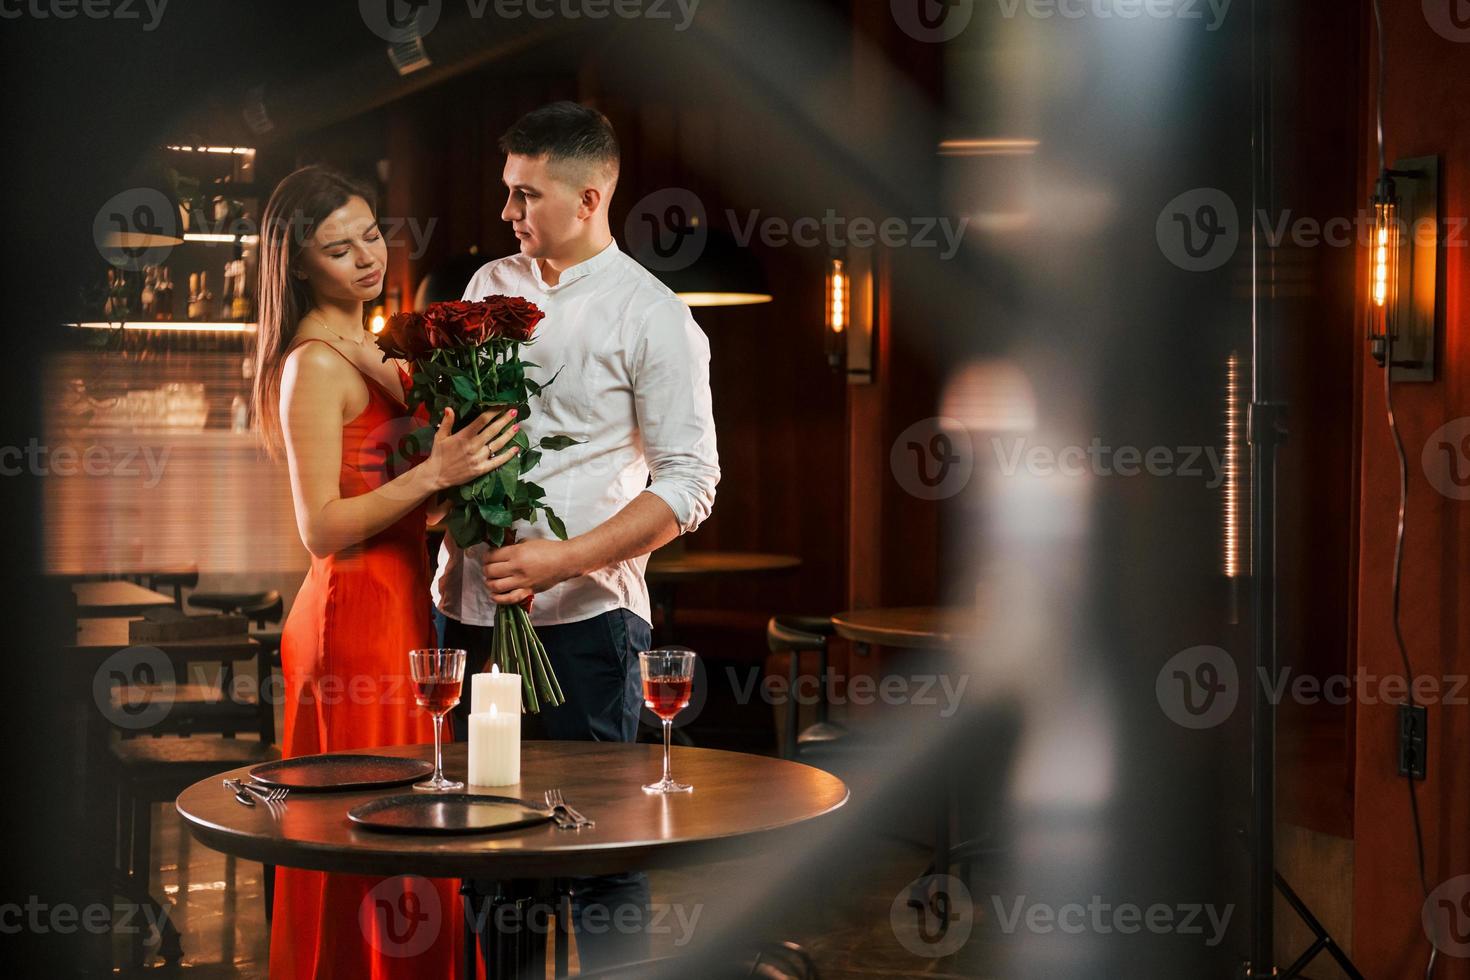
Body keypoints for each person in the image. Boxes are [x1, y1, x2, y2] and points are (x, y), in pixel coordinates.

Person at [434, 101, 720, 971]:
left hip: (590, 627)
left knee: (595, 854)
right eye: (508, 194)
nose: (508, 215)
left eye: (526, 197)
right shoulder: (487, 288)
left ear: (590, 197)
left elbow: (691, 483)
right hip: (470, 614)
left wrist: (561, 557)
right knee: (490, 852)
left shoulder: (654, 314)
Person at [254, 165, 521, 979]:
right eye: (339, 249)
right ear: (300, 265)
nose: (366, 258)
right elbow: (321, 527)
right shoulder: (313, 366)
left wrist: (460, 496)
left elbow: (393, 490)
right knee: (378, 828)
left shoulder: (373, 343)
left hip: (404, 603)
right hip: (351, 620)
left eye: (371, 235)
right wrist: (436, 476)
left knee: (416, 816)